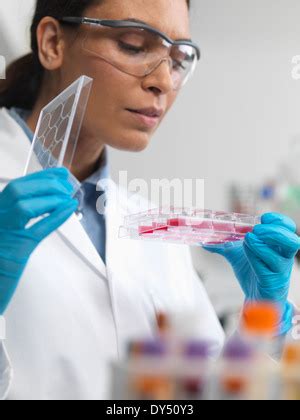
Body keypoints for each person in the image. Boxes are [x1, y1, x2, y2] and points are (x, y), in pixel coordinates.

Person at [0, 0, 298, 400]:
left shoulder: (152, 226)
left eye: (178, 58)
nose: (164, 81)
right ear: (53, 42)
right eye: (134, 45)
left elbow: (202, 394)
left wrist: (262, 321)